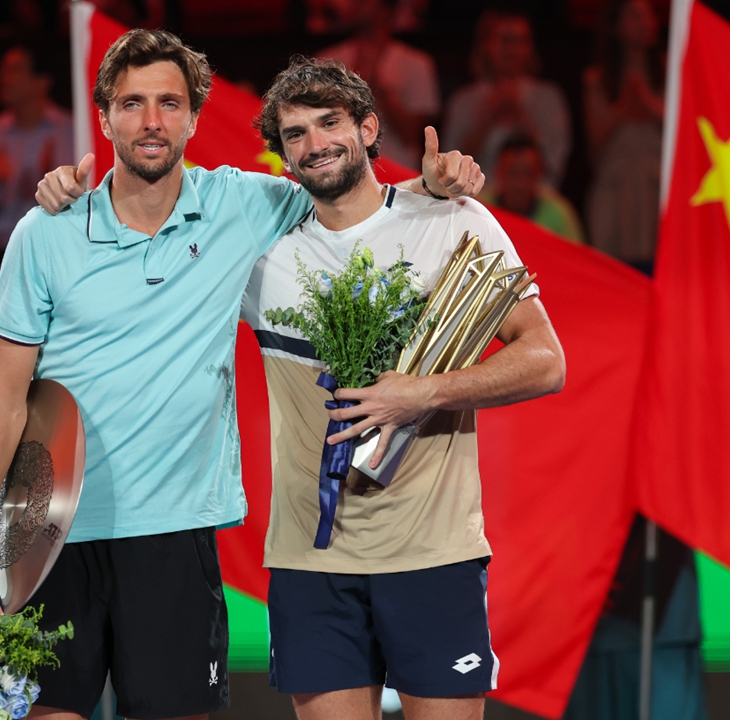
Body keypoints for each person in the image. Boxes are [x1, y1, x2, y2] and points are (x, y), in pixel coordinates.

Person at [0, 29, 483, 720]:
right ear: (104, 115)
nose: (151, 121)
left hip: (175, 535)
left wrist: (430, 187)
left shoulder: (248, 206)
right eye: (132, 103)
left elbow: (348, 191)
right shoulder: (44, 232)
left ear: (193, 118)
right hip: (47, 539)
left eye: (169, 103)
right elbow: (5, 397)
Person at [241, 56, 565, 720]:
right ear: (282, 156)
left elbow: (545, 360)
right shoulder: (259, 251)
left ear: (368, 128)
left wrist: (423, 394)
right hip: (311, 563)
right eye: (295, 134)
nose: (314, 144)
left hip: (432, 553)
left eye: (329, 123)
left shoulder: (452, 221)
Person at [0, 45, 74, 284]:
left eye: (14, 70)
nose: (3, 78)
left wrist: (53, 188)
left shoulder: (71, 130)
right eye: (3, 70)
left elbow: (91, 200)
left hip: (56, 259)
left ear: (42, 81)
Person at [443, 9, 572, 189]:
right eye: (504, 40)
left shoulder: (548, 97)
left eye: (520, 41)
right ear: (486, 45)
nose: (512, 49)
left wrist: (521, 119)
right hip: (477, 203)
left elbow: (554, 164)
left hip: (532, 205)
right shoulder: (463, 100)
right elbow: (450, 170)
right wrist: (487, 119)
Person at [582, 0, 663, 274]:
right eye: (635, 15)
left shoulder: (669, 71)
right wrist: (624, 108)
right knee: (615, 273)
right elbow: (594, 148)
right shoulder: (598, 79)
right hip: (615, 192)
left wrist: (649, 103)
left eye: (648, 15)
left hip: (657, 191)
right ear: (616, 25)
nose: (645, 23)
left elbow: (685, 133)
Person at [317, 0, 441, 169]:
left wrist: (380, 91)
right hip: (342, 172)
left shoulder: (417, 63)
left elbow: (413, 136)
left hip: (398, 173)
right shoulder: (326, 61)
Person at [488, 135, 583, 243]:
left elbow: (575, 255)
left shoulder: (559, 214)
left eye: (528, 174)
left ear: (540, 173)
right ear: (498, 171)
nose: (521, 183)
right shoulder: (479, 209)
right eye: (513, 173)